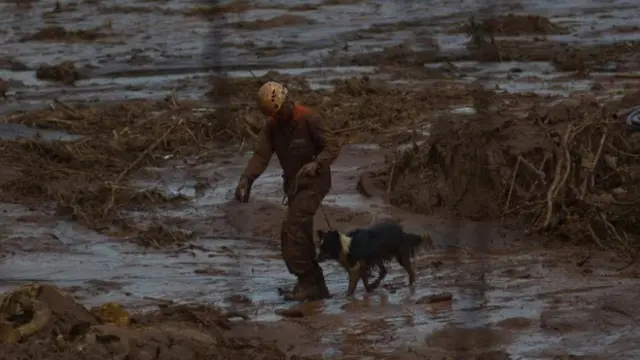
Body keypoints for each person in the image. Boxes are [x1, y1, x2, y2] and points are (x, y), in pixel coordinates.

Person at [234, 81, 341, 301]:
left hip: (314, 182)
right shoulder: (273, 126)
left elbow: (333, 146)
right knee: (294, 232)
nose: (279, 117)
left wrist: (316, 164)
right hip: (293, 185)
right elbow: (261, 156)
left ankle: (310, 284)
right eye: (274, 114)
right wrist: (247, 178)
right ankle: (313, 284)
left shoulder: (309, 118)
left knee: (294, 228)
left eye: (280, 111)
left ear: (287, 102)